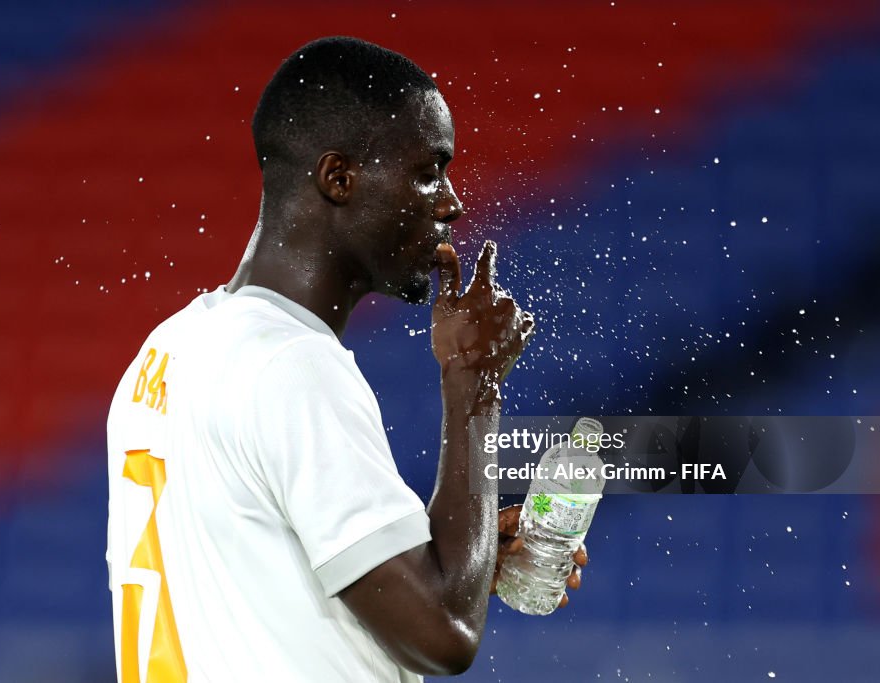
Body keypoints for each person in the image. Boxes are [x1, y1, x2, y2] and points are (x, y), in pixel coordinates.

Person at [106, 36, 587, 682]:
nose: (451, 202)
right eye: (429, 170)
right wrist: (474, 383)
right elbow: (446, 632)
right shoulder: (293, 367)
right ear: (339, 179)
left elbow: (251, 574)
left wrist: (447, 557)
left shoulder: (164, 351)